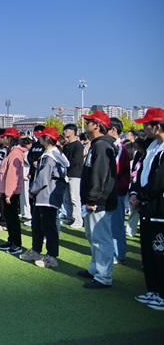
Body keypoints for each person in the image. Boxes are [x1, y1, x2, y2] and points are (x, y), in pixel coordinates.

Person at [78, 111, 117, 289]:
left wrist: (92, 199)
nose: (86, 124)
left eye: (89, 122)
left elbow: (99, 175)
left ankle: (104, 277)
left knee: (101, 239)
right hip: (94, 200)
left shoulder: (102, 145)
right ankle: (95, 269)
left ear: (97, 125)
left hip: (100, 201)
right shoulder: (97, 144)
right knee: (92, 236)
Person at [20, 127, 68, 268]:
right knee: (38, 224)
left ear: (47, 139)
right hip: (47, 195)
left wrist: (32, 191)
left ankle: (51, 256)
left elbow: (43, 178)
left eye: (41, 136)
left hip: (46, 196)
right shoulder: (55, 153)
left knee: (48, 226)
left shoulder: (50, 156)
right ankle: (36, 250)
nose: (38, 138)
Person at [131, 107, 164, 310]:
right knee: (149, 252)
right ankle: (153, 289)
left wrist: (142, 195)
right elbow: (140, 172)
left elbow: (159, 181)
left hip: (159, 208)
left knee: (160, 252)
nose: (144, 128)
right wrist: (135, 193)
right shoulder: (152, 146)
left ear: (157, 127)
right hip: (147, 207)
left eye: (147, 125)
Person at [0, 128, 29, 255]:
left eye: (5, 137)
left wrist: (8, 194)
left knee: (13, 218)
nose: (3, 139)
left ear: (9, 138)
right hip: (7, 190)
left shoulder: (15, 153)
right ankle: (11, 241)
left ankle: (16, 244)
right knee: (9, 218)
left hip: (11, 192)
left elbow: (12, 176)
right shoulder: (11, 152)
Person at [108, 117, 131, 264]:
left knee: (117, 224)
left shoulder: (120, 147)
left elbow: (116, 170)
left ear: (113, 129)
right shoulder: (114, 146)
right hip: (113, 190)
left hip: (117, 190)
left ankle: (119, 254)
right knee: (112, 224)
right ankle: (115, 252)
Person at [62, 123, 85, 228]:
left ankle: (78, 220)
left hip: (75, 174)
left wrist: (66, 165)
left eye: (66, 130)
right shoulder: (66, 146)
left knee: (75, 198)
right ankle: (70, 218)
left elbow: (76, 160)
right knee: (67, 198)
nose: (64, 132)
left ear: (72, 131)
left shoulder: (78, 145)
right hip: (66, 174)